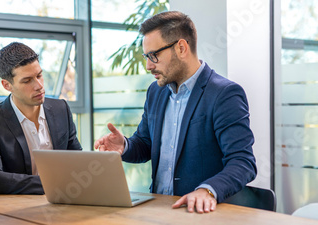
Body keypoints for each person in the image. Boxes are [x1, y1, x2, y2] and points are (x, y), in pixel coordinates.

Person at [94, 11, 257, 213]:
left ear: (181, 48)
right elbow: (146, 144)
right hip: (158, 210)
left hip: (199, 215)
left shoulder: (224, 94)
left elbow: (242, 162)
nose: (148, 65)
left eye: (154, 55)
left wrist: (207, 191)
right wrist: (125, 146)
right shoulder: (156, 91)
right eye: (146, 56)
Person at [0, 42, 82, 194]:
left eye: (39, 75)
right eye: (27, 80)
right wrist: (53, 184)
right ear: (7, 85)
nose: (39, 86)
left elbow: (77, 161)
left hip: (66, 203)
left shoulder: (61, 109)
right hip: (17, 211)